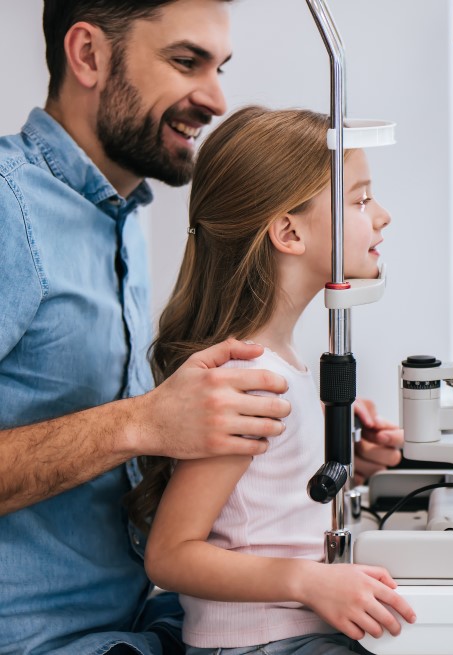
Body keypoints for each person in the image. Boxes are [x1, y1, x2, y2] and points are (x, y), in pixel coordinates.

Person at [0, 3, 401, 653]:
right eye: (186, 61)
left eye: (221, 67)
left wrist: (325, 451)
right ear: (88, 56)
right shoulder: (9, 210)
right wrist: (143, 422)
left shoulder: (118, 216)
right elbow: (171, 527)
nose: (216, 98)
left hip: (143, 627)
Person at [137, 105, 416, 654]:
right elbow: (170, 553)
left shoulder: (276, 363)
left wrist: (345, 461)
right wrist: (307, 582)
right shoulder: (250, 380)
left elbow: (258, 507)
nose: (382, 216)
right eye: (360, 199)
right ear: (288, 231)